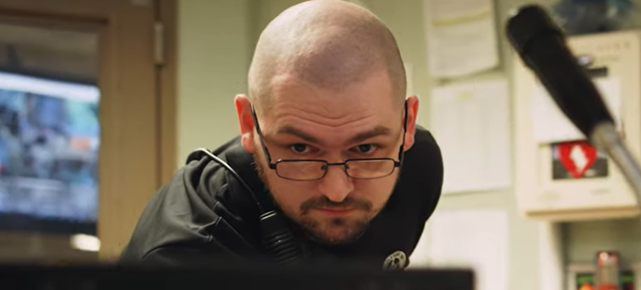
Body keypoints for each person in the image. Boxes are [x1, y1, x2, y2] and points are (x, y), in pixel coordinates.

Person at [120, 0, 442, 269]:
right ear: (248, 124)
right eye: (301, 148)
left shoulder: (416, 168)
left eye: (365, 148)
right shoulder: (186, 259)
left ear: (407, 124)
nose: (336, 190)